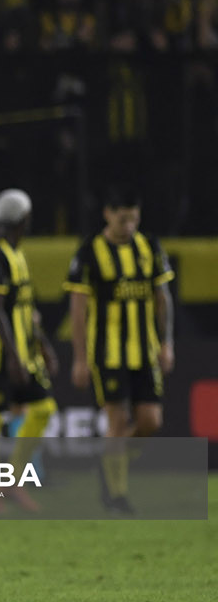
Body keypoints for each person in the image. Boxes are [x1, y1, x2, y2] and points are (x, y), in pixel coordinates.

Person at [63, 184, 176, 514]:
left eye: (134, 220)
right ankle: (116, 495)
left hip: (145, 351)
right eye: (123, 219)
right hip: (107, 354)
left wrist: (166, 342)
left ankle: (112, 462)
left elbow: (162, 298)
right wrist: (80, 359)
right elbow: (78, 309)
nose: (129, 226)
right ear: (107, 215)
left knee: (150, 421)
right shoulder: (89, 251)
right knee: (117, 419)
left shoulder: (149, 246)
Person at [0, 189, 59, 512]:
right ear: (24, 218)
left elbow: (25, 309)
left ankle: (13, 480)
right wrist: (12, 356)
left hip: (23, 354)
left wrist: (43, 344)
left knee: (44, 409)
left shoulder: (16, 254)